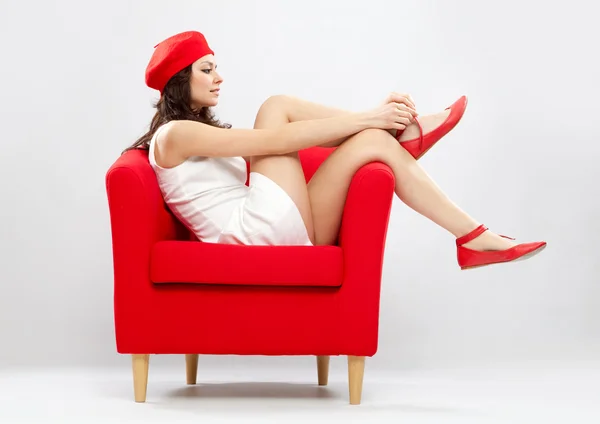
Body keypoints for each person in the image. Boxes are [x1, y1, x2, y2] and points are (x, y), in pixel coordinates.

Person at [124, 30, 546, 270]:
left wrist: (371, 125)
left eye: (216, 66)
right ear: (181, 80)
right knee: (277, 108)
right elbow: (269, 143)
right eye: (207, 69)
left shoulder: (190, 130)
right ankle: (401, 131)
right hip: (252, 233)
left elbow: (264, 153)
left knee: (374, 143)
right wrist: (368, 116)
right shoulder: (174, 135)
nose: (219, 77)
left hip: (274, 230)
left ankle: (472, 236)